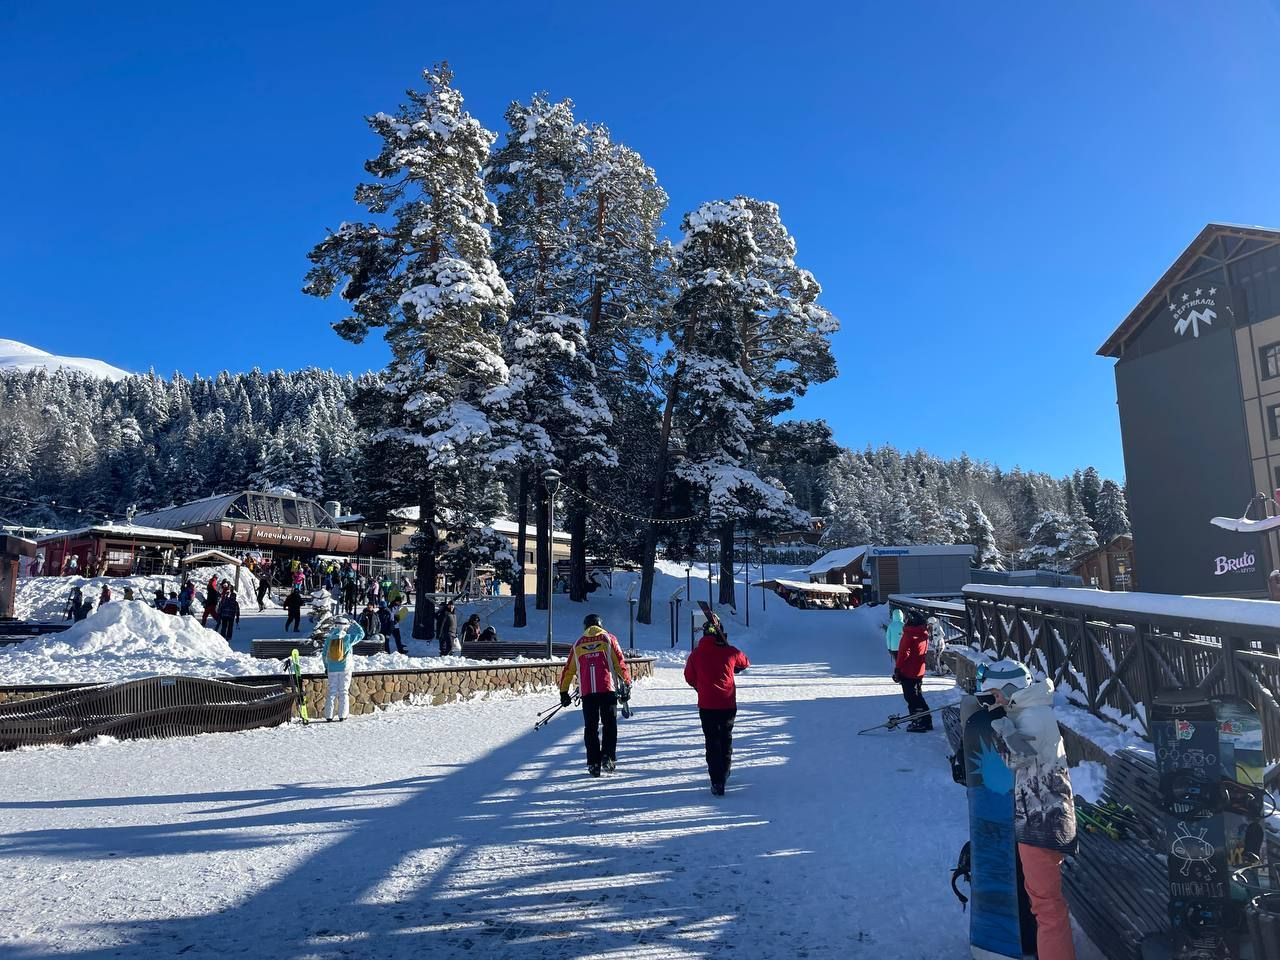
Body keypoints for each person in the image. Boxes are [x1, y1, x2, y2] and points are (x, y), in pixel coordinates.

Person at [979, 660, 1078, 960]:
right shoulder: (1030, 710)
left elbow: (1017, 758)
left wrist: (999, 723)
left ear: (1009, 690)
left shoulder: (1034, 716)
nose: (994, 701)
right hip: (1038, 816)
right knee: (1041, 900)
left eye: (995, 695)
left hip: (1042, 820)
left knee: (1046, 905)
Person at [558, 614, 632, 777]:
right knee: (609, 725)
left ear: (585, 626)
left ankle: (593, 763)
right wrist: (627, 682)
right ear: (600, 625)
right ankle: (608, 757)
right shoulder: (609, 639)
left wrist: (564, 692)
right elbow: (620, 663)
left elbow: (568, 670)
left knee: (590, 728)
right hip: (607, 689)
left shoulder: (578, 643)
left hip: (587, 692)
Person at [684, 617, 750, 796]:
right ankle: (725, 770)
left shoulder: (696, 654)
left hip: (707, 705)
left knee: (712, 741)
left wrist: (700, 687)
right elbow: (745, 662)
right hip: (727, 703)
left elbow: (689, 677)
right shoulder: (730, 651)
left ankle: (716, 780)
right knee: (725, 738)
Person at [892, 609, 932, 732]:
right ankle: (926, 720)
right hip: (918, 670)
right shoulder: (923, 633)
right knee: (918, 695)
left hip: (908, 670)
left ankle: (918, 721)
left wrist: (898, 669)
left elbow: (904, 653)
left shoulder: (909, 634)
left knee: (911, 697)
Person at [322, 615, 364, 722]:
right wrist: (355, 624)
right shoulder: (348, 638)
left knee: (332, 692)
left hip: (332, 668)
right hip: (345, 668)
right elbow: (361, 634)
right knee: (344, 691)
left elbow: (324, 654)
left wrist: (326, 666)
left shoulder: (329, 639)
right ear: (345, 626)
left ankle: (329, 716)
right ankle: (342, 715)